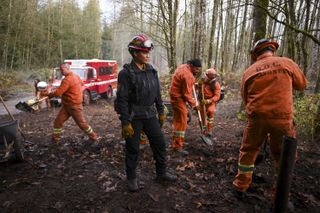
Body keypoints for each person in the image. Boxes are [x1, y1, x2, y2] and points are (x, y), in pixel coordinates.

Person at [232, 39, 307, 203]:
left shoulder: (249, 71)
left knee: (248, 151)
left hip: (256, 117)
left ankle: (240, 186)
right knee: (283, 156)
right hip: (282, 118)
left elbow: (245, 97)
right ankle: (280, 196)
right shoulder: (287, 63)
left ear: (255, 54)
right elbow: (301, 85)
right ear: (272, 50)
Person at [116, 34, 177, 192]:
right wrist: (125, 122)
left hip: (150, 115)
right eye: (144, 52)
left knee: (160, 144)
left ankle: (161, 173)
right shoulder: (126, 73)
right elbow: (122, 99)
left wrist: (161, 112)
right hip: (134, 117)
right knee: (133, 148)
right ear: (135, 53)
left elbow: (157, 92)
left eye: (149, 52)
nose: (148, 55)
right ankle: (131, 178)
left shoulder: (151, 70)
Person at [44, 63, 98, 145]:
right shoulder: (75, 76)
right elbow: (81, 84)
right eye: (60, 70)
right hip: (67, 106)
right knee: (58, 122)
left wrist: (48, 94)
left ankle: (94, 137)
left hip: (74, 106)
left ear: (67, 68)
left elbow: (58, 93)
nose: (61, 72)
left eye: (62, 70)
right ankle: (55, 140)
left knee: (82, 124)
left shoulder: (67, 79)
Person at [169, 59, 202, 155]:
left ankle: (176, 142)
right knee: (182, 122)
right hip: (178, 99)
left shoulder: (183, 67)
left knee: (178, 121)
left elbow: (184, 84)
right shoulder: (188, 76)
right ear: (191, 65)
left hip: (174, 97)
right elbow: (187, 95)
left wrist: (193, 84)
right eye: (196, 69)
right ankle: (177, 147)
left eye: (198, 69)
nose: (197, 71)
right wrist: (194, 105)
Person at [198, 68, 221, 137]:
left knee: (210, 111)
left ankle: (209, 130)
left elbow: (217, 96)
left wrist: (208, 101)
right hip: (202, 101)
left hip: (211, 102)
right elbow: (196, 87)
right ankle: (203, 131)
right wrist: (199, 84)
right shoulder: (202, 82)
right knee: (202, 117)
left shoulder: (216, 84)